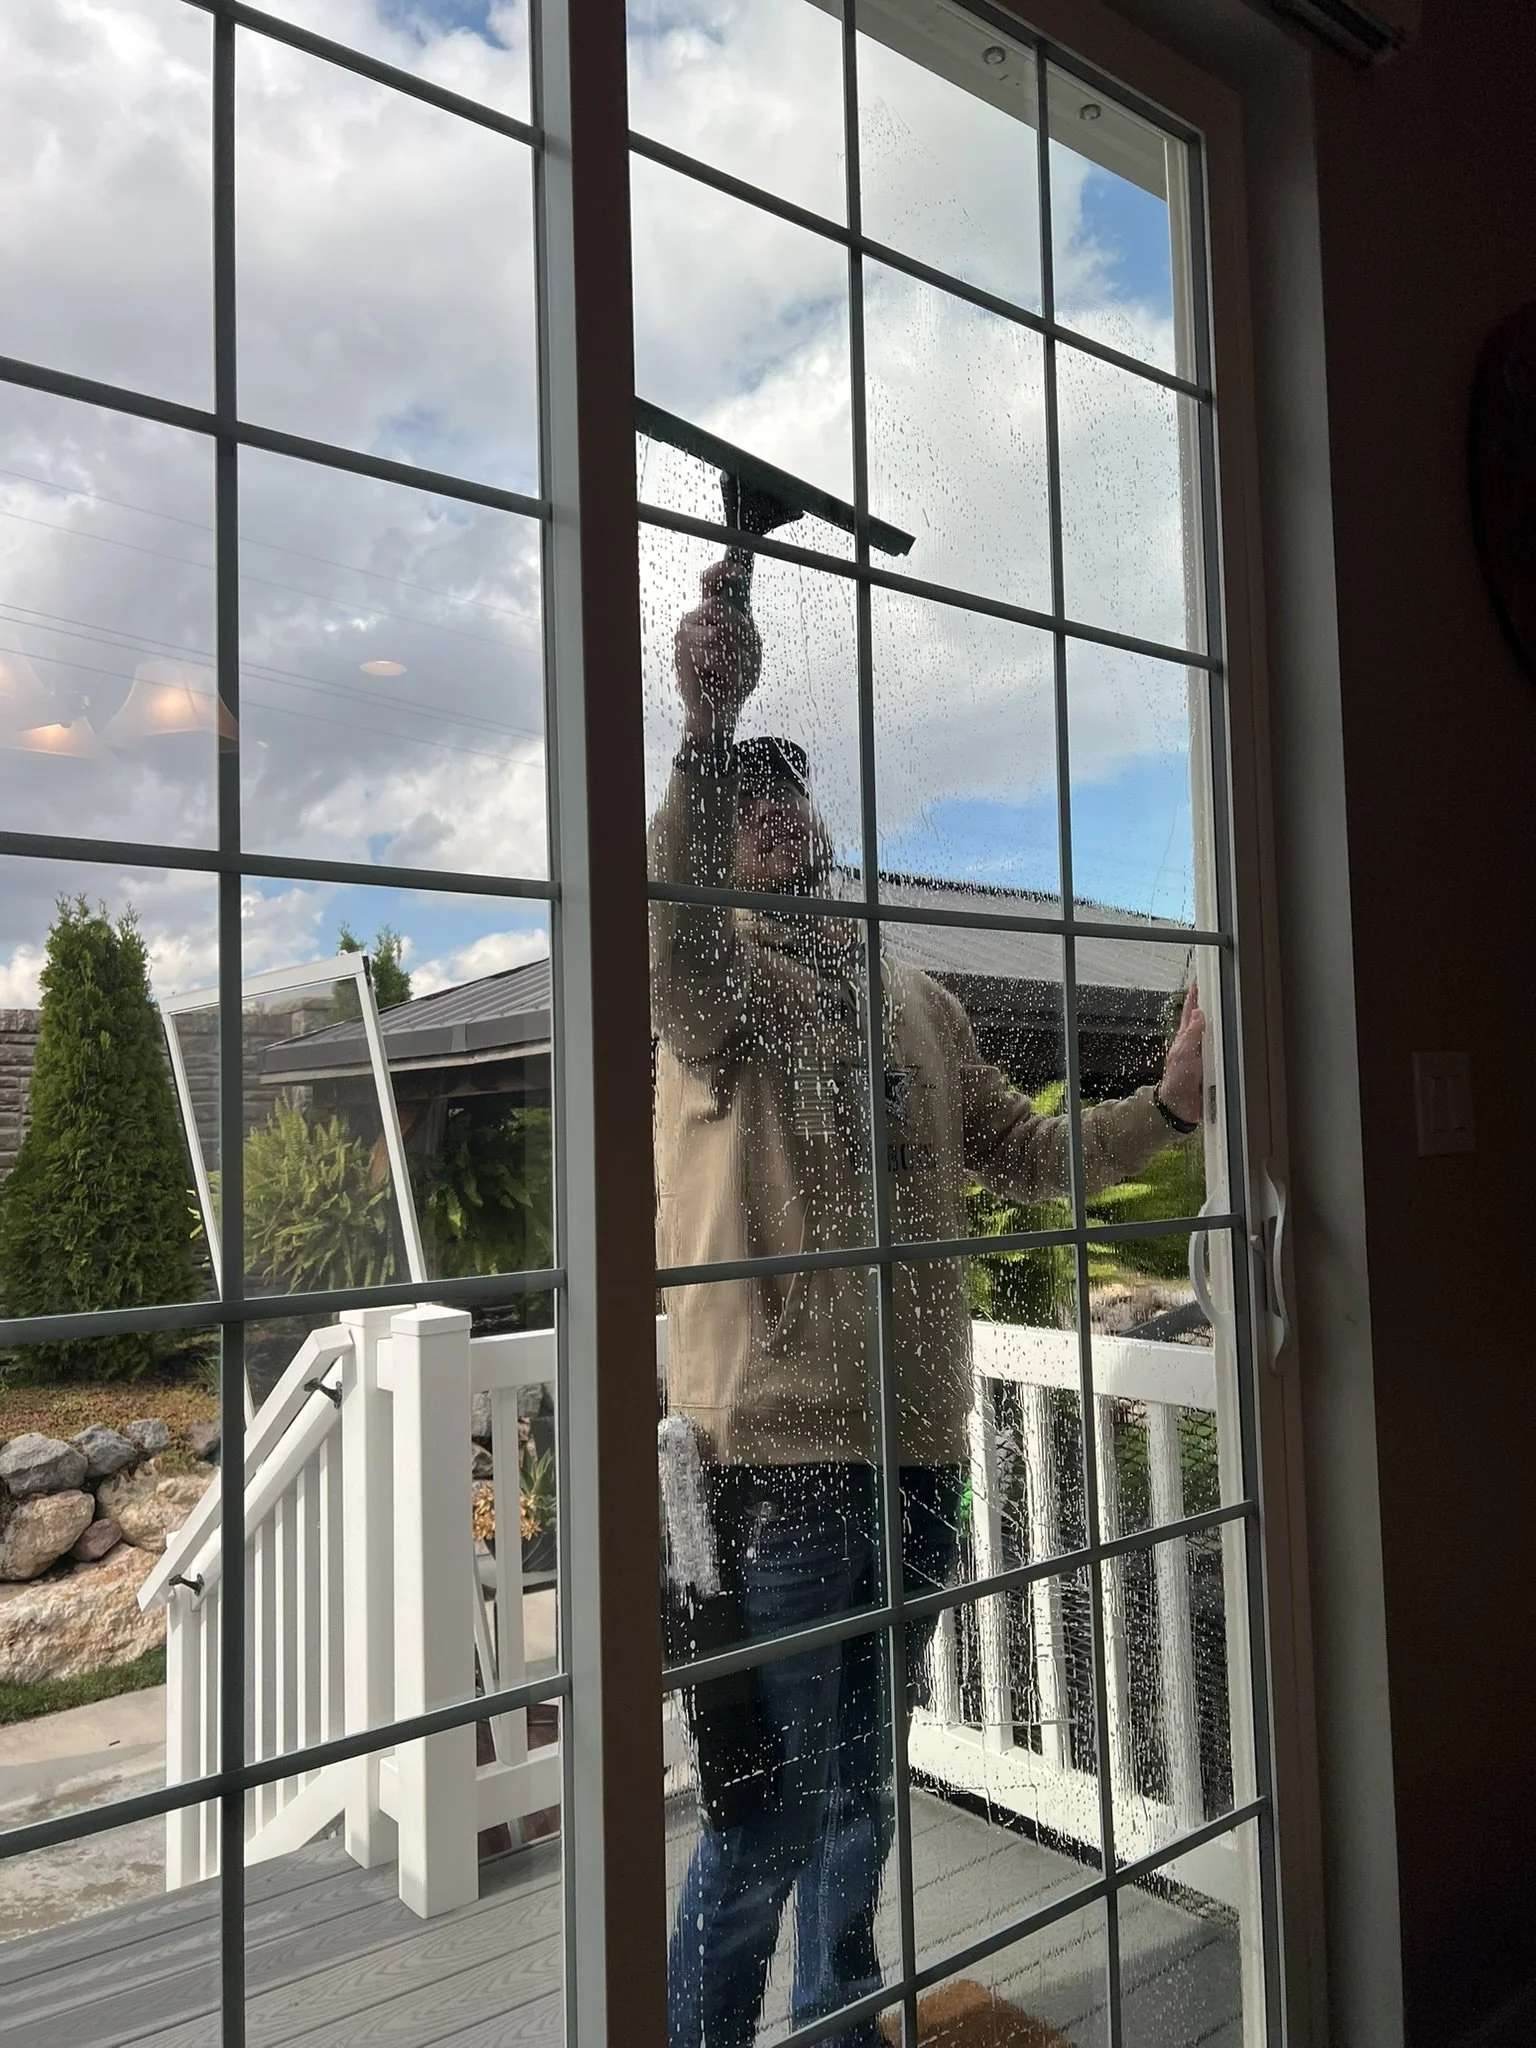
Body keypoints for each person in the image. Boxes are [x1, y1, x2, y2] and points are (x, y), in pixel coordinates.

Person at [651, 560, 1206, 2048]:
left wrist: (1166, 1103)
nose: (776, 817)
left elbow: (1022, 1153)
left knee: (859, 1786)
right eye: (746, 801)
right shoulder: (715, 1000)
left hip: (914, 1453)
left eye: (788, 794)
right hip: (770, 1464)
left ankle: (838, 2019)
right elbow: (672, 922)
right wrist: (703, 730)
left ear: (821, 825)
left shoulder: (911, 1000)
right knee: (762, 1816)